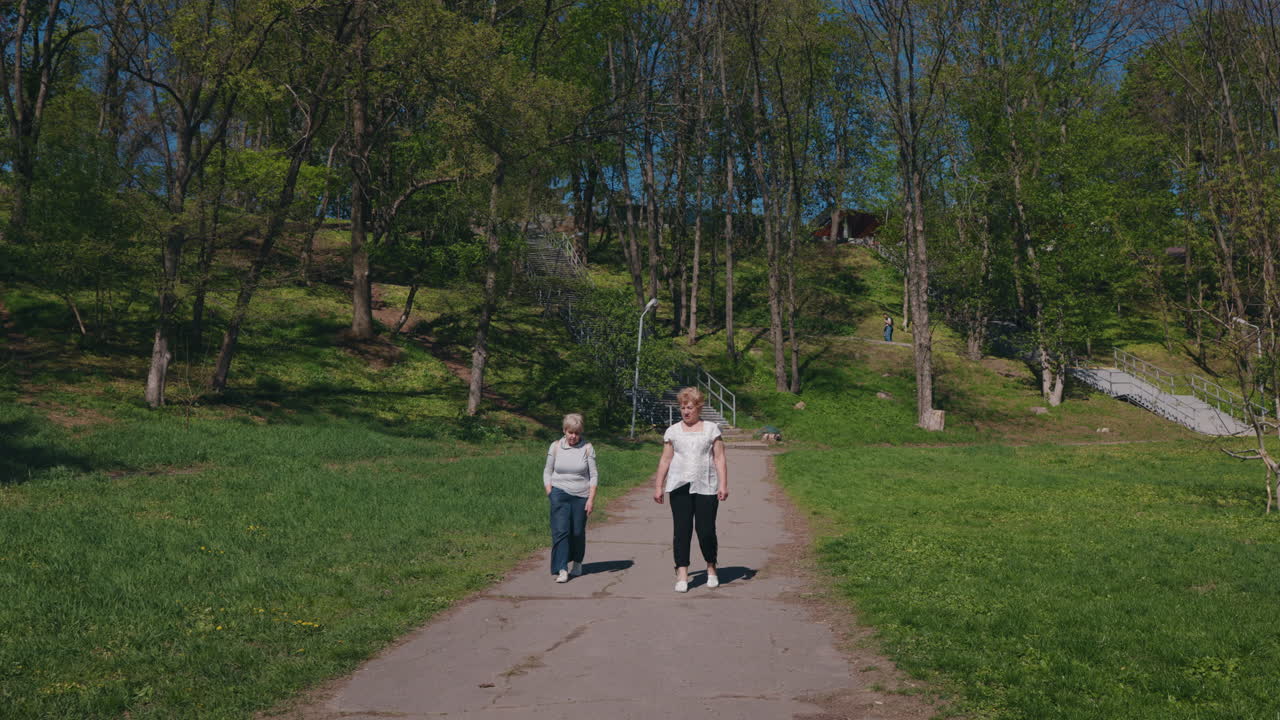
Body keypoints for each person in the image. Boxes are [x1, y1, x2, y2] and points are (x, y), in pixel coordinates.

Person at [653, 387, 729, 593]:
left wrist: (723, 484)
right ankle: (682, 571)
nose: (686, 411)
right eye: (683, 407)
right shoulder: (673, 431)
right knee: (682, 530)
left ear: (698, 408)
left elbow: (719, 458)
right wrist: (659, 485)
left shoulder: (712, 429)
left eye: (690, 407)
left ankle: (711, 567)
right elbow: (666, 459)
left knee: (705, 530)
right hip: (679, 486)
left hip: (707, 485)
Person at [544, 413, 597, 583]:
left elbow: (594, 475)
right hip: (559, 493)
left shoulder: (587, 448)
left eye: (577, 433)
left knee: (577, 532)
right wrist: (550, 492)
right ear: (564, 431)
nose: (573, 436)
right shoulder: (555, 447)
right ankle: (562, 569)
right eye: (570, 432)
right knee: (561, 531)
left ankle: (577, 563)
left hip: (581, 495)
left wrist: (590, 499)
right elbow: (547, 471)